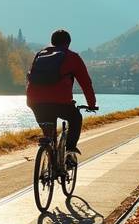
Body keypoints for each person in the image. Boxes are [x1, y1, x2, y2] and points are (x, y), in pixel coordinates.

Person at [26, 29, 97, 166]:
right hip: (60, 102)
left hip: (35, 101)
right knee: (76, 118)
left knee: (49, 130)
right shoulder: (72, 57)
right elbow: (86, 83)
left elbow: (31, 77)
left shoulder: (40, 55)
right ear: (68, 43)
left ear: (52, 42)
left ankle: (50, 156)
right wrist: (92, 104)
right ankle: (69, 151)